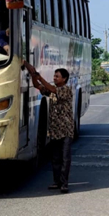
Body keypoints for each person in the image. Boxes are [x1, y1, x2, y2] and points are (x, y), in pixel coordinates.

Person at [22, 61, 74, 193]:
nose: (55, 78)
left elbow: (52, 89)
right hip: (55, 130)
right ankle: (57, 182)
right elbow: (37, 86)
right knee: (55, 158)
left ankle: (64, 183)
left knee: (65, 158)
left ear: (64, 79)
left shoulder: (66, 90)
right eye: (54, 76)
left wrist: (41, 78)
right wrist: (33, 74)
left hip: (66, 130)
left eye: (57, 76)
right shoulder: (53, 92)